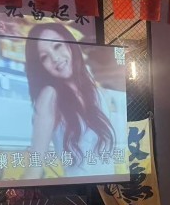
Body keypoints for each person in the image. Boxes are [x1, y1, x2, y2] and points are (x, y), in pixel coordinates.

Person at [22, 23, 116, 180]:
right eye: (44, 57)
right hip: (79, 190)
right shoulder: (50, 95)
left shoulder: (98, 92)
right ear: (40, 66)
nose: (55, 58)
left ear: (70, 44)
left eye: (57, 46)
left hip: (112, 188)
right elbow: (35, 164)